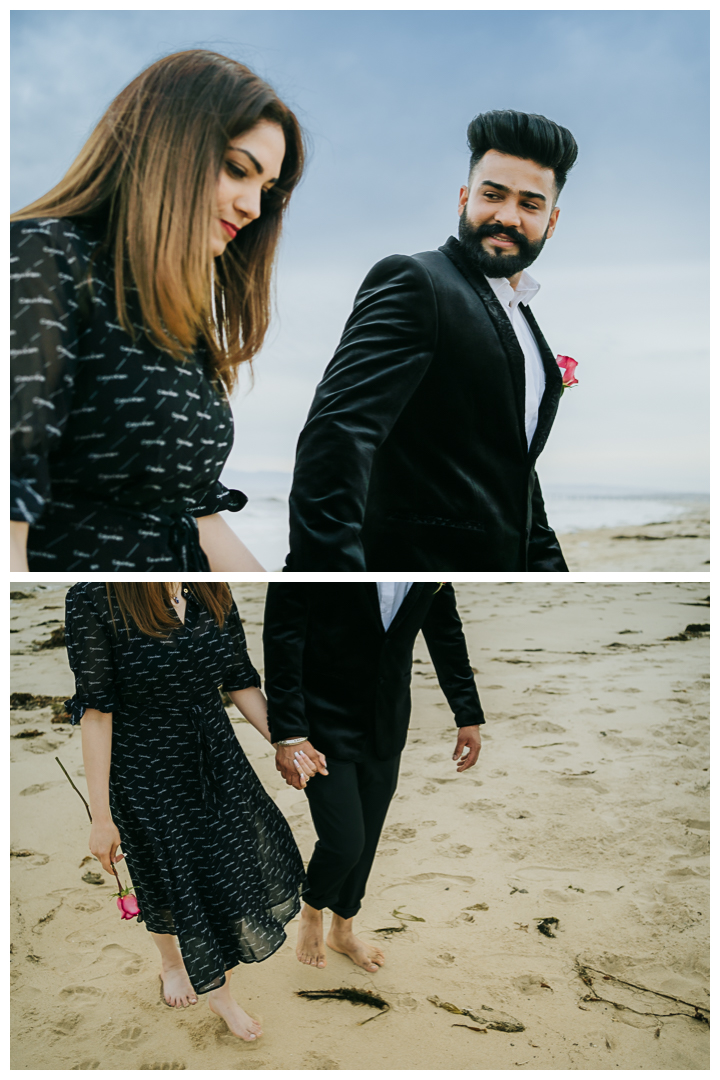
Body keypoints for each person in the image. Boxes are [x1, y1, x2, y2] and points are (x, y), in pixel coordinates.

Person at [11, 50, 304, 572]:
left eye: (267, 190)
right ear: (166, 146)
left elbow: (194, 514)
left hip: (186, 613)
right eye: (238, 170)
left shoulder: (176, 315)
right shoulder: (39, 257)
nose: (253, 207)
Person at [285, 109, 578, 571]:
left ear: (552, 220)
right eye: (492, 195)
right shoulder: (417, 281)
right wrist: (333, 579)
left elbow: (515, 472)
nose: (507, 216)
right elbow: (337, 439)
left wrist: (548, 570)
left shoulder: (522, 318)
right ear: (464, 198)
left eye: (530, 203)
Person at [64, 581, 311, 1040]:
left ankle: (216, 985)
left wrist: (288, 742)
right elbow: (97, 710)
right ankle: (176, 966)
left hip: (215, 754)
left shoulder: (210, 588)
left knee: (230, 865)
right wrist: (101, 817)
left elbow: (239, 678)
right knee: (167, 875)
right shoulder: (94, 598)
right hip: (144, 765)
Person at [262, 582, 484, 971]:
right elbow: (282, 640)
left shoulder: (431, 564)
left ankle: (343, 930)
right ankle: (312, 911)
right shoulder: (324, 550)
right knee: (345, 841)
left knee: (367, 836)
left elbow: (446, 634)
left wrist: (467, 714)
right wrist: (290, 735)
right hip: (320, 727)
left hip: (387, 722)